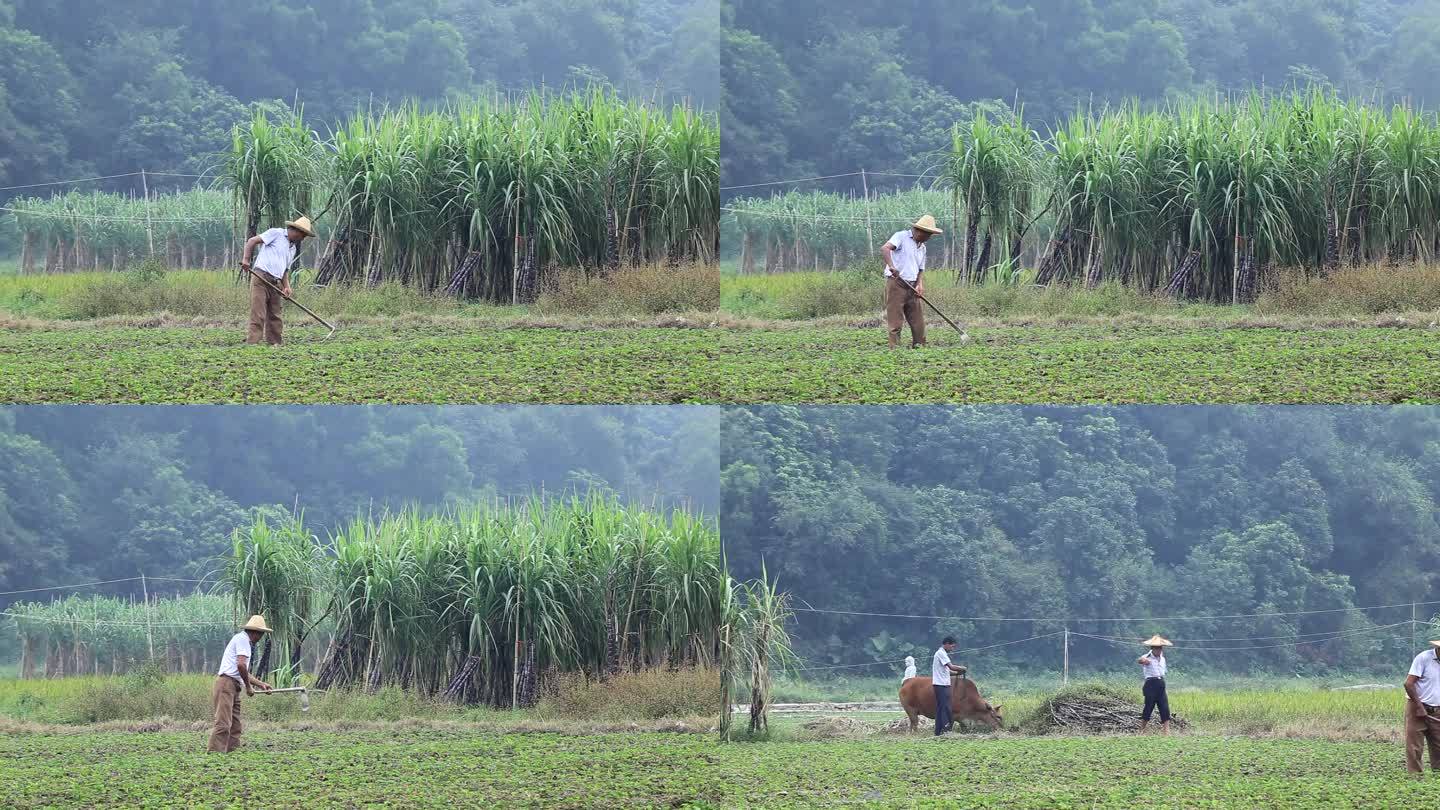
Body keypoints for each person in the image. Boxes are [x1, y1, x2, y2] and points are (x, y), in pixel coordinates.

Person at [240, 217, 315, 345]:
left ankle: (275, 342)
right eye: (303, 235)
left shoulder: (293, 249)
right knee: (258, 313)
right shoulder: (276, 233)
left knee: (275, 314)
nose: (303, 239)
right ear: (296, 231)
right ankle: (253, 343)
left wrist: (287, 287)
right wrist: (246, 260)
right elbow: (252, 241)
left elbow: (285, 270)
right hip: (261, 277)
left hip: (276, 282)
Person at [207, 614, 274, 753]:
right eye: (261, 634)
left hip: (233, 685)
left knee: (235, 726)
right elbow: (241, 666)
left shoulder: (242, 640)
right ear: (255, 632)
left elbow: (242, 670)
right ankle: (214, 756)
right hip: (226, 684)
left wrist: (260, 684)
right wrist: (249, 687)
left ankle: (233, 754)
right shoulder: (243, 640)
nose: (260, 638)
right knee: (223, 724)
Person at [880, 215, 943, 349]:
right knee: (895, 321)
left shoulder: (922, 247)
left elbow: (921, 269)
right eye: (928, 234)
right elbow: (885, 248)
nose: (929, 237)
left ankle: (919, 346)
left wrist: (920, 284)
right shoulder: (901, 236)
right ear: (920, 231)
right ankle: (895, 349)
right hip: (896, 283)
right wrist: (892, 266)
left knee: (918, 322)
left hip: (913, 286)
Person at [1404, 636, 1440, 776]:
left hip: (1437, 710)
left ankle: (1437, 776)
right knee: (1414, 746)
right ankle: (1416, 778)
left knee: (1438, 745)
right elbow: (1408, 683)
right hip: (1417, 708)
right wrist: (1419, 707)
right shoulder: (1423, 658)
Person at [932, 635, 967, 735]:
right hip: (941, 685)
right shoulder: (941, 653)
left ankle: (938, 732)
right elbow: (951, 666)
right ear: (946, 644)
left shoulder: (941, 654)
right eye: (952, 646)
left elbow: (947, 671)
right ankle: (946, 731)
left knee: (941, 708)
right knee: (945, 708)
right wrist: (962, 668)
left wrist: (957, 673)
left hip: (941, 684)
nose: (952, 649)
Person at [1137, 635, 1172, 734]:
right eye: (1156, 648)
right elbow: (1140, 660)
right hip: (1150, 684)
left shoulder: (1163, 659)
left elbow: (1162, 672)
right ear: (1152, 648)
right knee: (1149, 706)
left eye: (1160, 648)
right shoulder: (1147, 657)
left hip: (1160, 683)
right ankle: (1142, 730)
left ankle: (1166, 731)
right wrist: (1143, 661)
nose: (1159, 650)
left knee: (1164, 706)